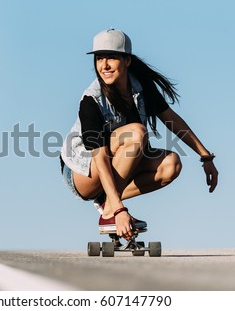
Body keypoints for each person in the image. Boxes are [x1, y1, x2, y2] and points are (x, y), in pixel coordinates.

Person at [60, 29, 218, 241]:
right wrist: (118, 210)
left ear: (127, 61)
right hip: (81, 171)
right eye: (99, 59)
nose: (104, 66)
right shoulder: (91, 99)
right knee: (137, 132)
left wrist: (205, 157)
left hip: (114, 163)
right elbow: (100, 157)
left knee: (171, 164)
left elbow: (172, 120)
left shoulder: (141, 88)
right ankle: (110, 209)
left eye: (111, 58)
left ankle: (107, 203)